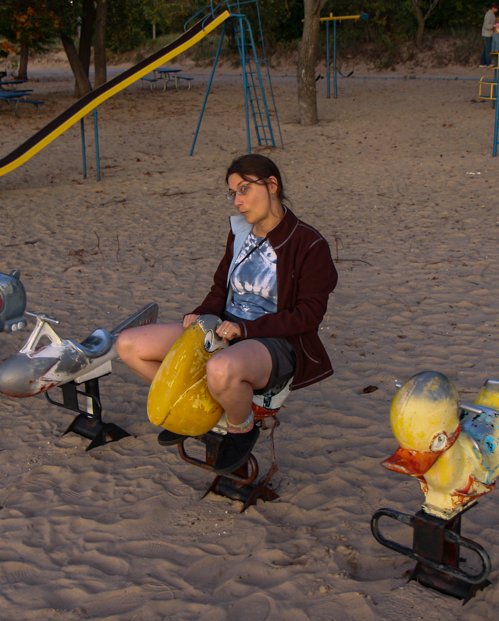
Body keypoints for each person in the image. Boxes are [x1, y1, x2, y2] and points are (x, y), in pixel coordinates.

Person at [116, 154, 338, 475]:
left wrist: (244, 331)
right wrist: (202, 313)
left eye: (244, 189)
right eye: (233, 193)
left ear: (272, 185)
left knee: (220, 369)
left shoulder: (308, 243)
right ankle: (195, 409)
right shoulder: (240, 233)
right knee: (129, 346)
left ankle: (242, 427)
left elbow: (308, 315)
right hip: (224, 328)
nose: (238, 201)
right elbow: (222, 286)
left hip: (272, 342)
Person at [480, 3, 499, 67]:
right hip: (487, 34)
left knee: (486, 48)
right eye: (496, 8)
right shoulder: (488, 14)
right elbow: (486, 25)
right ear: (493, 8)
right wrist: (493, 26)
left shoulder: (492, 14)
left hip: (490, 34)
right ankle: (488, 63)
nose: (497, 10)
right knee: (488, 49)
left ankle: (482, 63)